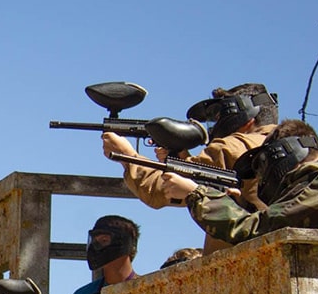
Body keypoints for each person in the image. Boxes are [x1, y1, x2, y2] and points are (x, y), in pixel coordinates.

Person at [168, 121, 318, 287]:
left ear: (282, 153)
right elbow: (278, 225)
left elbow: (260, 231)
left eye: (262, 165)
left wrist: (196, 194)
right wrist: (241, 207)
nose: (260, 178)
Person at [101, 82, 277, 214]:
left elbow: (159, 191)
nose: (215, 127)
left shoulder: (230, 147)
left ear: (246, 119)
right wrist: (183, 160)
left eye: (219, 118)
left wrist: (126, 155)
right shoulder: (284, 145)